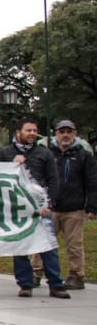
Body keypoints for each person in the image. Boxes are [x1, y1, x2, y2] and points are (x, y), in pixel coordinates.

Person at [0, 118, 68, 298]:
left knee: (48, 247)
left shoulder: (44, 153)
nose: (33, 133)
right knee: (21, 247)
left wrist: (49, 204)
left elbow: (53, 179)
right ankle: (25, 284)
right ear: (18, 132)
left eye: (35, 130)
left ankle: (56, 284)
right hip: (17, 208)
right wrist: (11, 164)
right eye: (29, 130)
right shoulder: (6, 153)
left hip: (41, 209)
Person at [49, 120, 95, 291]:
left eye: (69, 132)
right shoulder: (49, 154)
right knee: (43, 242)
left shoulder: (83, 155)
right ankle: (37, 272)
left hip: (74, 208)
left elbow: (92, 182)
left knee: (74, 245)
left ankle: (76, 275)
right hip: (51, 208)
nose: (65, 135)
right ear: (56, 134)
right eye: (62, 132)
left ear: (74, 133)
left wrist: (92, 207)